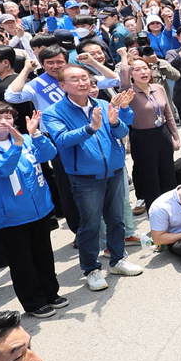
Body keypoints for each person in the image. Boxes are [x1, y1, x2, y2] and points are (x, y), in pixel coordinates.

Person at [41, 66, 144, 291]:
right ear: (62, 86)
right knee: (90, 225)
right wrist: (91, 128)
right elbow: (62, 140)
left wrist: (122, 113)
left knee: (116, 219)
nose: (82, 83)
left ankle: (118, 259)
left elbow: (121, 132)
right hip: (85, 177)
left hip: (115, 172)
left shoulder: (103, 104)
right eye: (75, 79)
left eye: (85, 78)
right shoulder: (54, 112)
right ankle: (91, 269)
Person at [0, 103, 64, 318]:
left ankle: (51, 293)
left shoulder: (25, 138)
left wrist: (36, 134)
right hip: (10, 215)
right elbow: (0, 172)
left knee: (43, 255)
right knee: (22, 262)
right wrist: (16, 147)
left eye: (8, 117)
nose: (5, 121)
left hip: (38, 208)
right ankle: (33, 302)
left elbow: (49, 153)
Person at [119, 57, 179, 213]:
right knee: (151, 178)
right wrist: (124, 56)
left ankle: (173, 209)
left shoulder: (158, 88)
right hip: (142, 138)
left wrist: (175, 137)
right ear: (131, 74)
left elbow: (169, 114)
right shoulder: (128, 91)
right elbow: (123, 73)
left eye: (145, 68)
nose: (143, 72)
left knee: (168, 174)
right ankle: (157, 213)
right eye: (137, 70)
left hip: (162, 134)